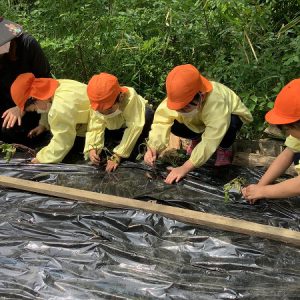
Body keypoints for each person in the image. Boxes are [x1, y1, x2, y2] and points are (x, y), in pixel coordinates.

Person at [144, 64, 253, 184]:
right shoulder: (180, 96)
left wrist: (185, 167)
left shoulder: (216, 102)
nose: (180, 111)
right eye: (178, 108)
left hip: (226, 120)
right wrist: (154, 147)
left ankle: (224, 148)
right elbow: (161, 122)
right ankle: (196, 138)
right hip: (198, 122)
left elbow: (212, 138)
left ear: (201, 96)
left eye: (184, 108)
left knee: (231, 123)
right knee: (174, 124)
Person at [10, 72, 90, 163]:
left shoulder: (60, 108)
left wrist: (41, 159)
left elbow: (62, 142)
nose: (37, 111)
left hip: (100, 130)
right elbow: (47, 102)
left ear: (35, 98)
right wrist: (43, 125)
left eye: (34, 109)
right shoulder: (58, 85)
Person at [242, 79, 300, 203]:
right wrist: (260, 186)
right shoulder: (297, 135)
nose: (287, 133)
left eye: (287, 128)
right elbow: (287, 154)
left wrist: (264, 192)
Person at [84, 72, 154, 172]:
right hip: (116, 127)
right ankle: (116, 144)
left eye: (108, 109)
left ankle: (135, 147)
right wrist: (92, 148)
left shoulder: (130, 98)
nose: (104, 113)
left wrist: (118, 156)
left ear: (120, 97)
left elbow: (134, 127)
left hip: (136, 124)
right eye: (100, 110)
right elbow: (95, 125)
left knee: (147, 114)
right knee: (101, 151)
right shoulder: (97, 104)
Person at [0, 17, 51, 144]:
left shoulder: (28, 45)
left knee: (31, 135)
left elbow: (45, 83)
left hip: (34, 104)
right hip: (6, 102)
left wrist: (21, 106)